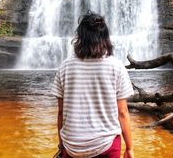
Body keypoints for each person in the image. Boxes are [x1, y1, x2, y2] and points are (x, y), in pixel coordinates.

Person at [51, 11, 134, 158]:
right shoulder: (116, 66)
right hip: (106, 146)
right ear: (105, 37)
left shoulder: (65, 66)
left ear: (80, 37)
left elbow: (60, 113)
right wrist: (129, 148)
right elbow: (122, 112)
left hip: (72, 147)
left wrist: (62, 145)